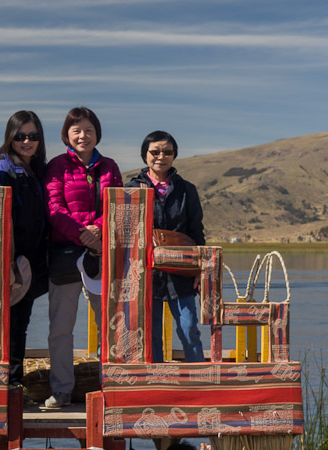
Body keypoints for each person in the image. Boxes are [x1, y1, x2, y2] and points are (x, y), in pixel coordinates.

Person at [43, 107, 122, 408]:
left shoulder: (110, 167)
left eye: (88, 130)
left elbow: (116, 204)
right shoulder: (57, 166)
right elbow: (53, 208)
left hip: (100, 254)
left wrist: (97, 231)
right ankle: (61, 389)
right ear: (67, 134)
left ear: (97, 134)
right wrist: (81, 233)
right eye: (76, 130)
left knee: (108, 326)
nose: (83, 135)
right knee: (61, 328)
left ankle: (108, 389)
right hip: (65, 254)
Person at [126, 130, 206, 363]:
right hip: (144, 273)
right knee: (150, 335)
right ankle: (156, 383)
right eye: (155, 151)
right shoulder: (131, 189)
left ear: (174, 155)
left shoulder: (186, 189)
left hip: (182, 272)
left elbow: (196, 231)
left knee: (189, 328)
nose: (161, 156)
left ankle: (198, 383)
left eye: (167, 152)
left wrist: (200, 270)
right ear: (145, 155)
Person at [0, 110, 49, 393]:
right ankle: (10, 384)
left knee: (21, 322)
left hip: (33, 259)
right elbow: (5, 218)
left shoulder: (36, 169)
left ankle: (13, 382)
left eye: (33, 136)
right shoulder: (4, 168)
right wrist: (11, 259)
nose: (26, 141)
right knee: (13, 324)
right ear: (10, 137)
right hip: (14, 260)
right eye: (20, 136)